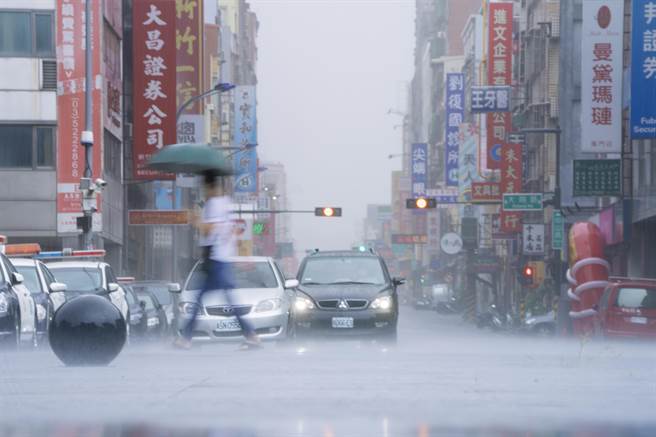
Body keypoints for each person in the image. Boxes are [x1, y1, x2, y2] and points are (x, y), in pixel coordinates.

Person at [174, 172, 261, 350]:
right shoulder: (225, 202)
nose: (203, 191)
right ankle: (250, 335)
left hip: (216, 259)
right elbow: (231, 231)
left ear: (210, 187)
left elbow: (209, 230)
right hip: (222, 258)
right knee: (220, 299)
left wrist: (195, 220)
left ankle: (187, 338)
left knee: (205, 298)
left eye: (204, 188)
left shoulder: (213, 204)